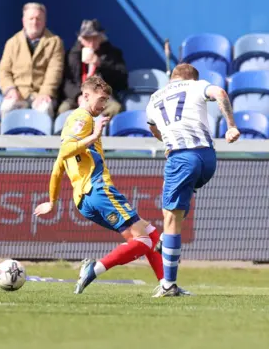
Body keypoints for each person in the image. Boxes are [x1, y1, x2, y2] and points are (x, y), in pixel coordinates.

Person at [33, 76, 189, 296]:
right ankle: (94, 269)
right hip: (98, 189)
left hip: (84, 200)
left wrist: (53, 200)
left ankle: (167, 285)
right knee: (144, 240)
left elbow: (59, 165)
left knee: (149, 236)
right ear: (85, 95)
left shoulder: (72, 122)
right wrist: (95, 135)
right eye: (101, 99)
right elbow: (66, 151)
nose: (104, 104)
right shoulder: (83, 118)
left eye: (106, 99)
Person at [146, 63, 240, 297]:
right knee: (176, 212)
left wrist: (165, 140)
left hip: (181, 157)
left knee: (170, 217)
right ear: (193, 77)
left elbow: (153, 128)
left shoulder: (154, 98)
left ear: (172, 78)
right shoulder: (197, 85)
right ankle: (167, 242)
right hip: (207, 158)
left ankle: (168, 285)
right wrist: (231, 126)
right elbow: (220, 92)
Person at [0, 2, 64, 119]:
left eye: (38, 19)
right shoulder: (12, 43)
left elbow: (55, 71)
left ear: (44, 21)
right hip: (18, 93)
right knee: (6, 108)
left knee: (44, 110)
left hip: (42, 93)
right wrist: (11, 90)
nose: (34, 22)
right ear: (24, 21)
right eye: (31, 18)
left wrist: (45, 92)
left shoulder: (54, 42)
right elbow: (4, 71)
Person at [58, 19, 127, 117]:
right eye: (87, 39)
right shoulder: (71, 55)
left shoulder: (112, 54)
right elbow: (66, 82)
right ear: (81, 39)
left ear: (101, 37)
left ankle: (101, 130)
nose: (91, 43)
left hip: (102, 96)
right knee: (63, 109)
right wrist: (78, 95)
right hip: (78, 96)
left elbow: (122, 80)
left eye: (95, 38)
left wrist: (101, 64)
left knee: (115, 107)